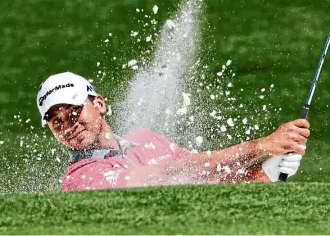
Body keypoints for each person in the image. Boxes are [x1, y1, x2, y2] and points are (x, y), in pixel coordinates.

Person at [37, 72, 309, 191]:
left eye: (73, 112)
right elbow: (171, 173)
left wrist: (268, 172)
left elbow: (209, 186)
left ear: (99, 103)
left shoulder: (146, 139)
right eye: (56, 122)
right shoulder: (80, 178)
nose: (67, 126)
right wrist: (261, 146)